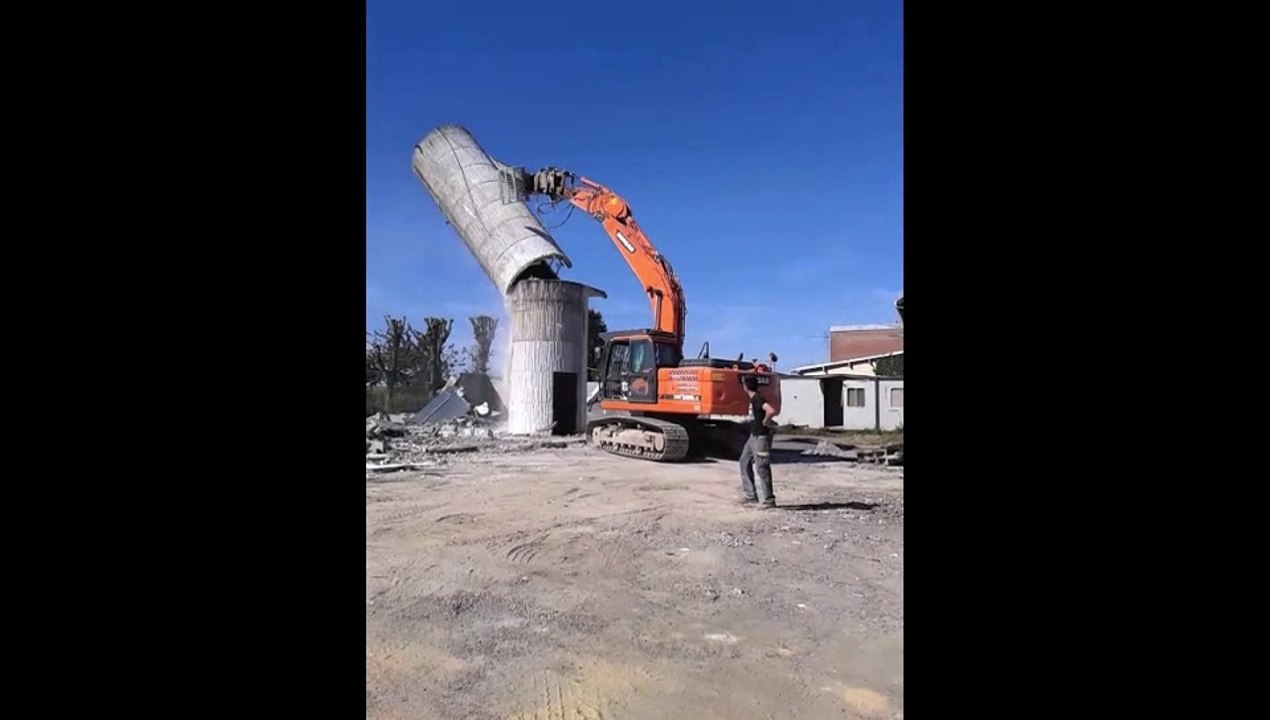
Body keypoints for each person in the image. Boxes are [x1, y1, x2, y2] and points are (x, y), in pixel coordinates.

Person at [739, 375, 779, 508]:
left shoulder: (757, 398)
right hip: (753, 436)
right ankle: (750, 496)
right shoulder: (753, 399)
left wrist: (766, 422)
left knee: (762, 467)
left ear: (746, 386)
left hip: (761, 436)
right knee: (744, 462)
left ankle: (769, 499)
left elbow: (771, 410)